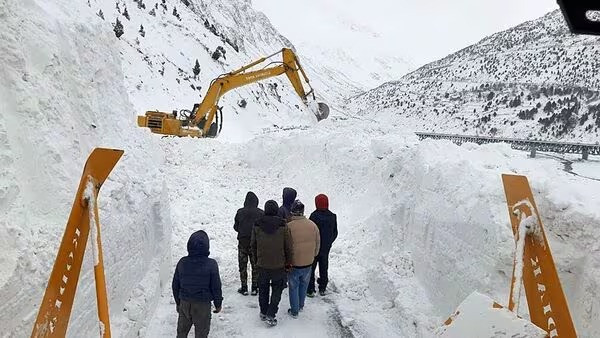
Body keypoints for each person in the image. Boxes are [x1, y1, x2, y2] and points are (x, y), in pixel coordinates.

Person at [172, 230, 223, 338]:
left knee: (181, 332)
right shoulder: (211, 264)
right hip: (202, 305)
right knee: (201, 334)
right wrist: (218, 304)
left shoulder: (182, 262)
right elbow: (216, 287)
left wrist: (178, 302)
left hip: (185, 303)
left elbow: (175, 285)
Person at [251, 200, 292, 327]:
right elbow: (288, 247)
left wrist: (256, 259)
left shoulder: (257, 225)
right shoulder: (283, 226)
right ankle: (271, 313)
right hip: (279, 265)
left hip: (262, 264)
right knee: (277, 290)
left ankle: (263, 311)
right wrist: (288, 262)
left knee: (263, 289)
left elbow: (253, 245)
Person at [286, 200, 320, 318]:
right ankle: (301, 305)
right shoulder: (312, 225)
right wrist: (313, 255)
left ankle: (294, 311)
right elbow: (317, 243)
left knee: (293, 286)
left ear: (292, 212)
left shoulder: (289, 226)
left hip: (294, 264)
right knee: (303, 285)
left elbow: (286, 245)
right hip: (308, 263)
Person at [307, 194, 338, 297]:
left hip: (314, 247)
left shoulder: (314, 216)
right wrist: (329, 242)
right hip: (325, 247)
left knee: (311, 267)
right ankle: (323, 287)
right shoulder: (333, 216)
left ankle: (310, 288)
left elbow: (310, 231)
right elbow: (335, 232)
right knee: (324, 266)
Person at [234, 191, 264, 296]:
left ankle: (244, 287)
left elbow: (235, 227)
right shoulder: (261, 213)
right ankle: (255, 287)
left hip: (243, 242)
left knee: (243, 265)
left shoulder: (240, 212)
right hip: (255, 243)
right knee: (255, 265)